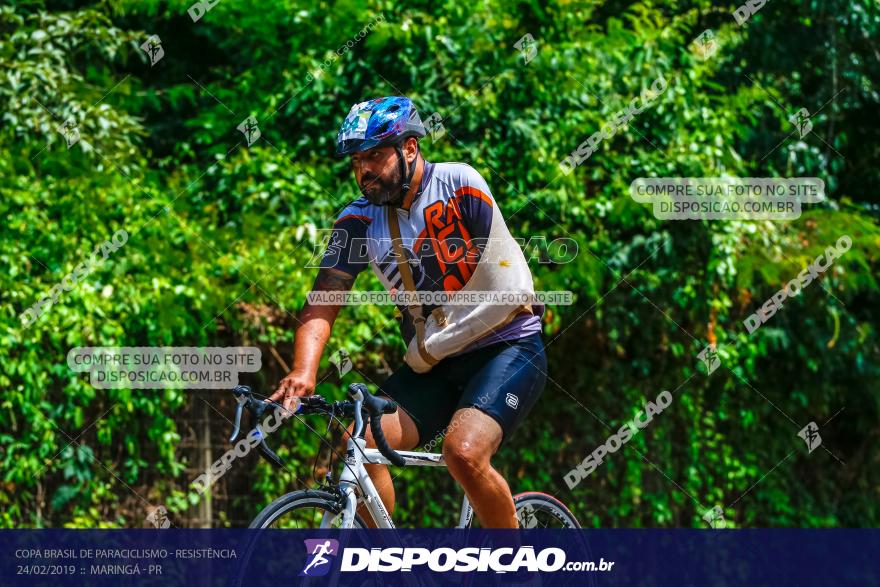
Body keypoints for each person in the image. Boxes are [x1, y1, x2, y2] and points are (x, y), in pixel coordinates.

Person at [269, 96, 547, 528]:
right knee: (358, 444)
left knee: (464, 452)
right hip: (434, 362)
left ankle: (519, 572)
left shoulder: (460, 183)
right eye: (357, 160)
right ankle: (382, 563)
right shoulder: (357, 222)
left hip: (506, 347)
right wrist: (304, 372)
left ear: (410, 148)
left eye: (375, 156)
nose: (363, 170)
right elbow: (325, 296)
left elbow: (508, 284)